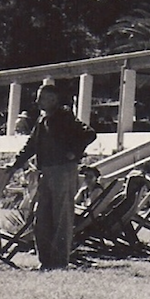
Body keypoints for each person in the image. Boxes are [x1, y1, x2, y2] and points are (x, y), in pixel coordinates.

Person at [7, 84, 96, 270]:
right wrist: (15, 165)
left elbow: (89, 134)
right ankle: (45, 261)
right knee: (42, 218)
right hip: (45, 172)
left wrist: (73, 153)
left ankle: (59, 262)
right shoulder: (42, 120)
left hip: (63, 171)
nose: (37, 101)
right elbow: (31, 145)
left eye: (42, 98)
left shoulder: (64, 116)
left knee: (62, 217)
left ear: (53, 99)